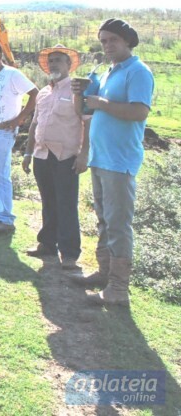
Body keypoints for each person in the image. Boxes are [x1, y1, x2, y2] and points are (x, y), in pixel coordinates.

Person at [70, 19, 154, 306]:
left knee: (118, 225)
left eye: (112, 40)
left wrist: (102, 104)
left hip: (120, 161)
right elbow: (83, 109)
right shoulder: (107, 73)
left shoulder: (138, 72)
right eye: (103, 41)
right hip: (100, 157)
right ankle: (105, 273)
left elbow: (140, 112)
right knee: (104, 220)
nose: (107, 45)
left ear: (128, 41)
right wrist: (79, 92)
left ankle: (118, 290)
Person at [22, 45, 89, 269]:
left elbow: (87, 122)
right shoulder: (43, 92)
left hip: (66, 156)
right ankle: (47, 244)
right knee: (48, 201)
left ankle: (69, 253)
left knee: (66, 203)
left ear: (69, 65)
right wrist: (28, 153)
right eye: (50, 61)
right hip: (41, 155)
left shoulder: (77, 90)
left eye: (59, 60)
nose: (53, 64)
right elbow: (34, 124)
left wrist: (84, 154)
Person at [0, 40, 38, 233]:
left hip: (3, 131)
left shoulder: (12, 74)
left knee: (0, 173)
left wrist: (20, 119)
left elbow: (34, 93)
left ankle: (6, 218)